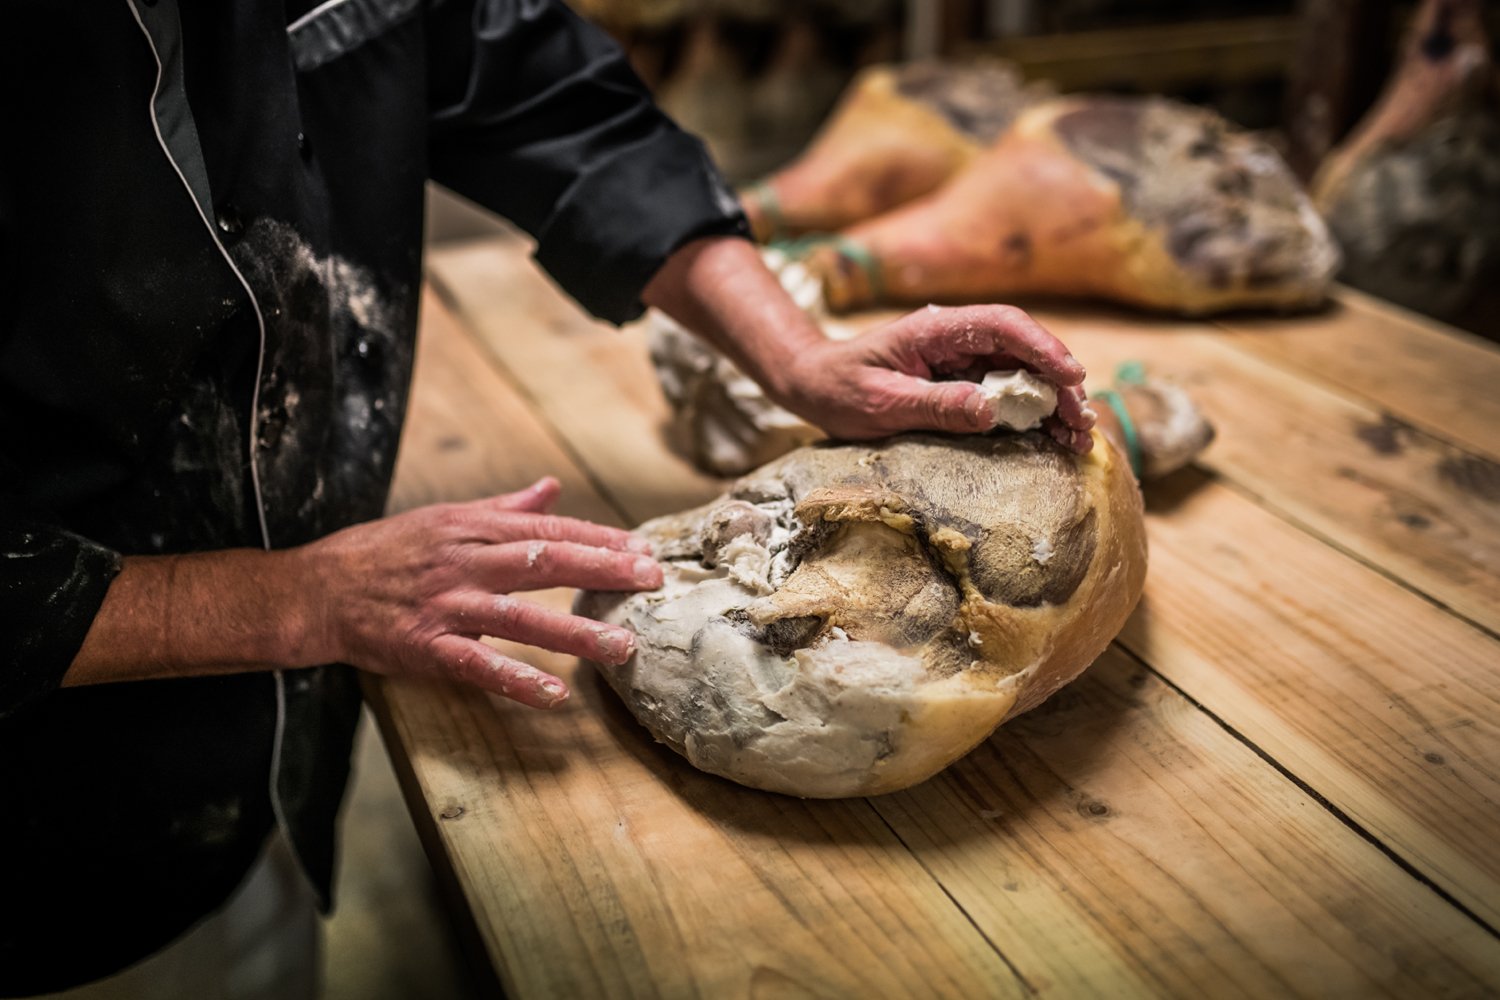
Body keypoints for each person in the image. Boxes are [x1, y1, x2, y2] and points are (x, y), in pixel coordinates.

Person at [0, 0, 1093, 995]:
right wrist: (289, 600)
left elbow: (544, 94)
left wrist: (799, 356)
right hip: (47, 840)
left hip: (276, 760)